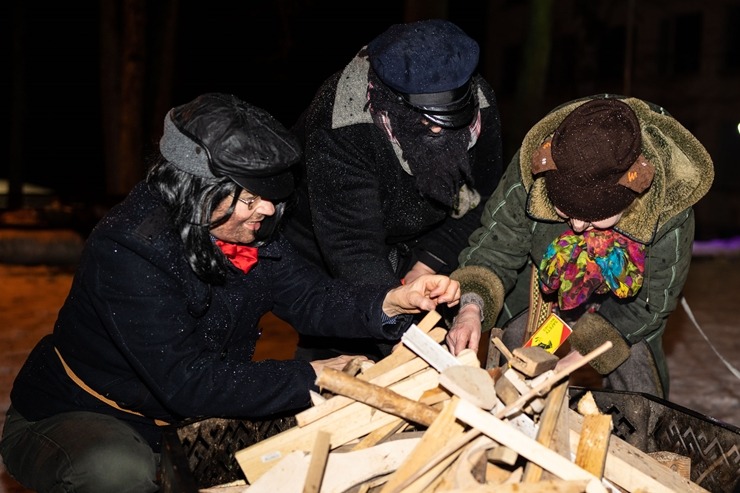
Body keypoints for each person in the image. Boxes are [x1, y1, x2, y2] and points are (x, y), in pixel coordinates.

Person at [0, 93, 461, 493]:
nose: (264, 210)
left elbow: (309, 298)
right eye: (247, 197)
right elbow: (189, 383)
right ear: (195, 189)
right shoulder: (128, 248)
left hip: (185, 418)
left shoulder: (244, 230)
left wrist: (388, 301)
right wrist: (315, 375)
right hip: (83, 414)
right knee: (116, 473)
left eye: (269, 196)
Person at [446, 95, 713, 399]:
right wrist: (470, 306)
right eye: (564, 212)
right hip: (544, 282)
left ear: (633, 192)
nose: (575, 226)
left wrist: (589, 351)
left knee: (637, 381)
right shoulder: (536, 166)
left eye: (592, 219)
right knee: (516, 366)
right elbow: (496, 245)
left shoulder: (669, 206)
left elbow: (651, 303)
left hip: (625, 305)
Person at [282, 19, 506, 360]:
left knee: (429, 334)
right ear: (391, 99)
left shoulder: (479, 104)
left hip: (419, 233)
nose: (436, 128)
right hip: (329, 241)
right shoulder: (342, 120)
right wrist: (398, 329)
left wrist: (426, 265)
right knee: (345, 346)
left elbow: (476, 202)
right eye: (426, 118)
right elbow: (352, 247)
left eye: (448, 117)